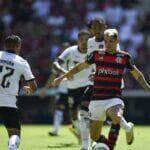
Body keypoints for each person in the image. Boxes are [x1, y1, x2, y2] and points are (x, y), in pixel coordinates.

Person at [51, 29, 150, 149]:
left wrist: (147, 87)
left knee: (116, 116)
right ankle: (124, 131)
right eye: (106, 41)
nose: (108, 44)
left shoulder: (124, 57)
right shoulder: (97, 55)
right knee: (94, 136)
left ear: (117, 41)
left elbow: (138, 75)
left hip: (114, 97)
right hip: (97, 99)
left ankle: (114, 143)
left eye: (111, 41)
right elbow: (78, 68)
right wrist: (61, 77)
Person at [79, 18, 124, 150]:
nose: (97, 29)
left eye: (99, 26)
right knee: (83, 111)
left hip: (112, 83)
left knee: (113, 117)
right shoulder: (90, 42)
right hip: (96, 83)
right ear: (91, 29)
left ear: (104, 27)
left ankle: (114, 140)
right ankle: (89, 145)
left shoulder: (110, 40)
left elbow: (116, 61)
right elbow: (90, 61)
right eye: (94, 27)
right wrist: (93, 73)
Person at [52, 30, 93, 149]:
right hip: (72, 87)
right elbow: (55, 64)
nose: (84, 42)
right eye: (82, 40)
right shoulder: (70, 51)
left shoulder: (93, 52)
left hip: (88, 85)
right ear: (77, 40)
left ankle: (87, 143)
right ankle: (81, 133)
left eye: (86, 40)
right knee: (74, 116)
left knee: (85, 113)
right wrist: (65, 73)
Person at [0, 35, 37, 150]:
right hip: (8, 102)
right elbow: (33, 86)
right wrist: (27, 88)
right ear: (18, 46)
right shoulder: (22, 62)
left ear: (5, 45)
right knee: (14, 134)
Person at [40, 42, 70, 136]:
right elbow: (53, 75)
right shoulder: (59, 61)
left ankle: (81, 132)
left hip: (75, 88)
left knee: (76, 111)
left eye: (66, 48)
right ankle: (56, 130)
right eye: (63, 48)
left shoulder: (76, 56)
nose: (64, 50)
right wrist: (45, 88)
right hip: (63, 89)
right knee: (58, 109)